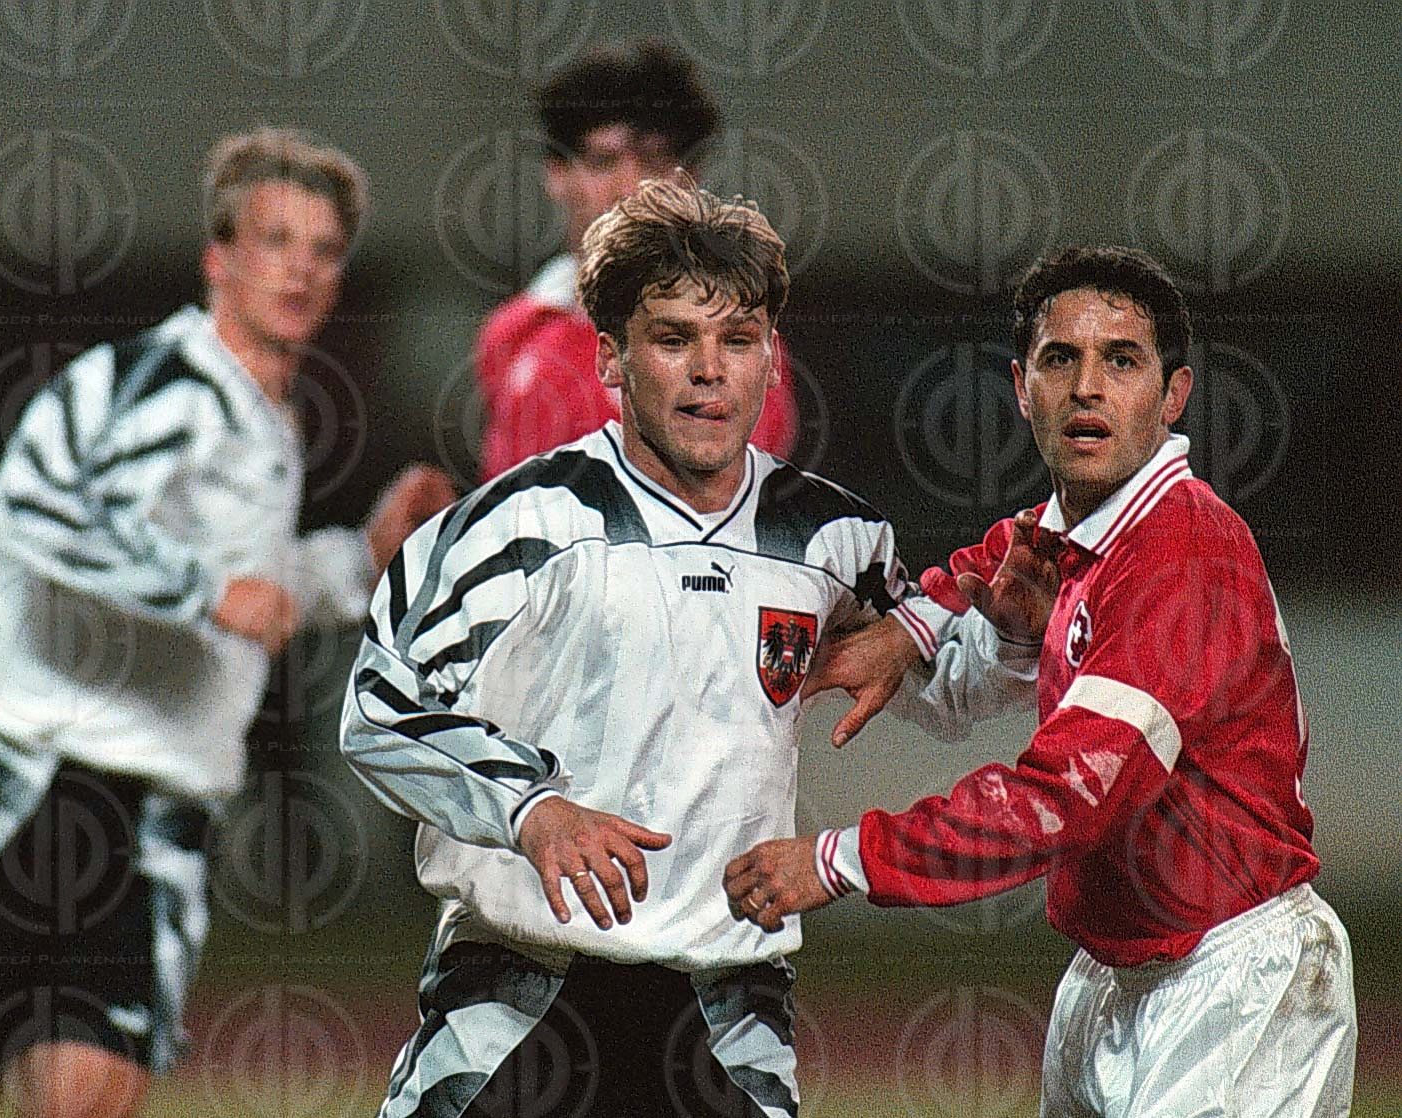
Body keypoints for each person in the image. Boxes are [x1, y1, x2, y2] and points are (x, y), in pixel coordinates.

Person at [339, 174, 1034, 1118]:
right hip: (514, 990)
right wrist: (533, 810)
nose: (710, 370)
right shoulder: (517, 524)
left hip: (725, 1009)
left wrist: (1010, 636)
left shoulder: (833, 539)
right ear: (611, 357)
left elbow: (945, 690)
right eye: (673, 340)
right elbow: (378, 707)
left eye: (737, 340)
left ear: (771, 360)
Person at [0, 127, 455, 1118]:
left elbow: (255, 591)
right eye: (274, 240)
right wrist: (203, 590)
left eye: (324, 249)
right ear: (217, 259)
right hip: (35, 787)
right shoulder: (167, 383)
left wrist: (361, 556)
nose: (301, 268)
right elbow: (47, 517)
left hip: (157, 812)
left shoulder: (261, 417)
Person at [724, 246, 1357, 1117]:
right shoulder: (1064, 537)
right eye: (1061, 359)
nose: (1086, 387)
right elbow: (964, 615)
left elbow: (1068, 797)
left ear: (1172, 395)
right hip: (1109, 976)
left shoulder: (1181, 551)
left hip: (1236, 979)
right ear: (1022, 388)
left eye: (1121, 360)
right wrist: (933, 635)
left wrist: (840, 860)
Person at [473, 39, 799, 481]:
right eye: (603, 161)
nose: (631, 187)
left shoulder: (739, 335)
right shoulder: (514, 334)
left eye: (654, 161)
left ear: (691, 178)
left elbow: (726, 498)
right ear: (557, 174)